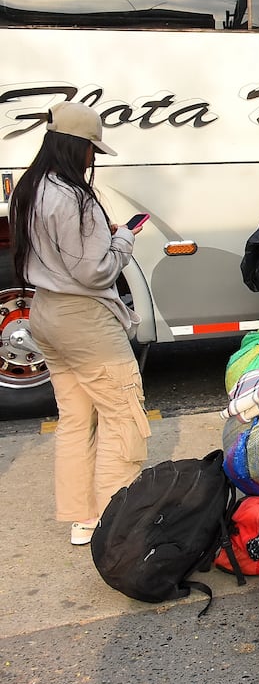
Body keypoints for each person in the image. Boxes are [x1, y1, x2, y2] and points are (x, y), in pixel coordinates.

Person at [10, 102, 151, 547]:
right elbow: (97, 272)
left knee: (75, 418)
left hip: (46, 312)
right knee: (122, 415)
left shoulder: (29, 188)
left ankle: (82, 519)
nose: (93, 157)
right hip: (85, 318)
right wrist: (124, 237)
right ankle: (115, 522)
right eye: (91, 147)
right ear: (76, 145)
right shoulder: (75, 195)